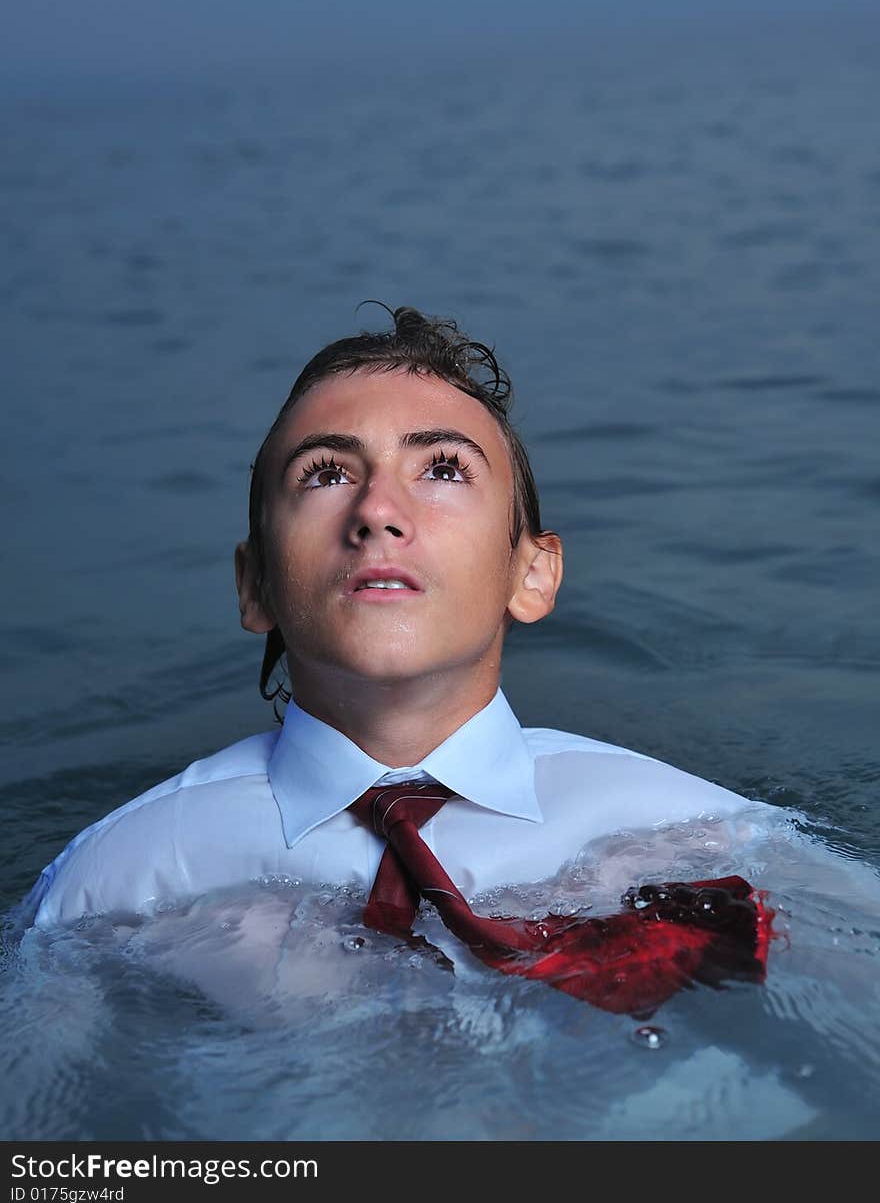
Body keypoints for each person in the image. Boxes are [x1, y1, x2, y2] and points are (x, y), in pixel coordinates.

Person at [19, 303, 773, 1012]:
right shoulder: (116, 880)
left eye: (443, 468)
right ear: (256, 586)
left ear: (532, 572)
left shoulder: (699, 829)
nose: (377, 510)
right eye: (325, 473)